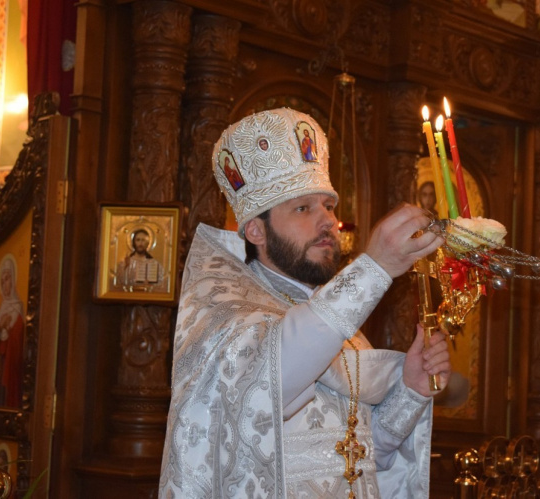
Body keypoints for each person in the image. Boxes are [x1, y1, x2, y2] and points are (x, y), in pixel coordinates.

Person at [160, 108, 451, 498]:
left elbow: (362, 457)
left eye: (328, 206)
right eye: (303, 208)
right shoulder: (228, 319)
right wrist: (375, 267)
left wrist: (412, 390)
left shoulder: (340, 327)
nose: (328, 221)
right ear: (256, 230)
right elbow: (282, 362)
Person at [0, 254, 25, 408]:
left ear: (14, 281)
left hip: (10, 367)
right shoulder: (1, 309)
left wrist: (9, 329)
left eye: (8, 279)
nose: (5, 285)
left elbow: (20, 337)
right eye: (2, 281)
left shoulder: (18, 307)